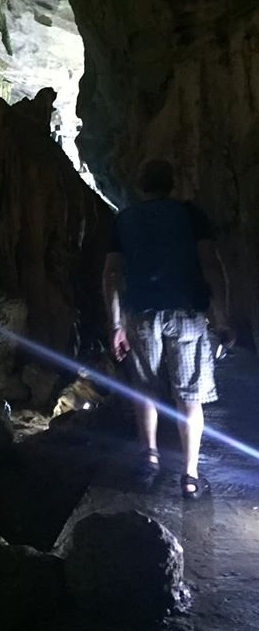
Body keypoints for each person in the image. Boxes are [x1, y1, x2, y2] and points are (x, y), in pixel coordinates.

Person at [102, 159, 233, 499]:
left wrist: (115, 323)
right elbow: (210, 264)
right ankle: (190, 476)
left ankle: (149, 459)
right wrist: (221, 318)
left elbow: (112, 274)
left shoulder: (124, 220)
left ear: (139, 185)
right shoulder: (190, 214)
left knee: (146, 389)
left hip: (141, 314)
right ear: (172, 183)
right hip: (187, 313)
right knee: (189, 396)